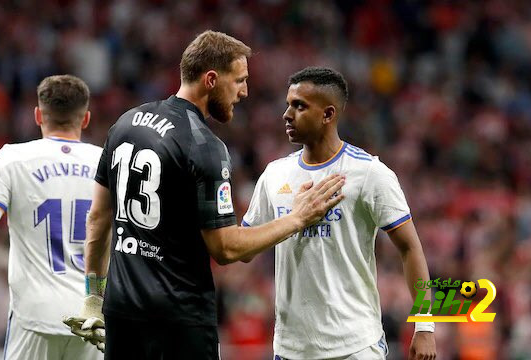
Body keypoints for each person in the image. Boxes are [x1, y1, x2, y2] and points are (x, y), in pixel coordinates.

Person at [72, 30, 345, 359]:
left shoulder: (125, 124)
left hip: (122, 312)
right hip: (179, 319)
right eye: (239, 80)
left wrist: (93, 296)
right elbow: (227, 248)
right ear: (212, 79)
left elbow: (98, 217)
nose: (244, 92)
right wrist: (297, 218)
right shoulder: (203, 146)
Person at [242, 67, 437, 360]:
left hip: (355, 346)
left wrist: (425, 325)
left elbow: (410, 248)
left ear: (328, 114)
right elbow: (244, 248)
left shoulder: (369, 173)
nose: (287, 114)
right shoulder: (274, 174)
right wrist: (293, 219)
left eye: (299, 106)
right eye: (287, 104)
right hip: (291, 349)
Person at [0, 75, 103, 360]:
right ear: (86, 119)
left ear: (37, 115)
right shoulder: (106, 162)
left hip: (33, 318)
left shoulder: (13, 158)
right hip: (92, 317)